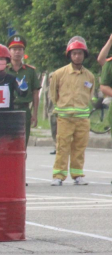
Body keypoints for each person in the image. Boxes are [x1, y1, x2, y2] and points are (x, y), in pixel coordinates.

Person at [50, 37, 94, 186]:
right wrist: (62, 107)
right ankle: (58, 176)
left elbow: (89, 95)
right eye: (74, 53)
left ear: (84, 55)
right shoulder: (59, 74)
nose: (77, 56)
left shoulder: (89, 76)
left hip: (82, 119)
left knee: (79, 148)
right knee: (62, 147)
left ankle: (77, 175)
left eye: (80, 53)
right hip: (65, 118)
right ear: (69, 55)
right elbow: (53, 95)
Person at [6, 35, 40, 145]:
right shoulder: (4, 70)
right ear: (9, 51)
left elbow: (35, 93)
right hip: (7, 110)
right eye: (14, 49)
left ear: (23, 52)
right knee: (7, 142)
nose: (17, 52)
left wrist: (35, 114)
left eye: (20, 49)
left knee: (22, 143)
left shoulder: (30, 71)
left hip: (24, 110)